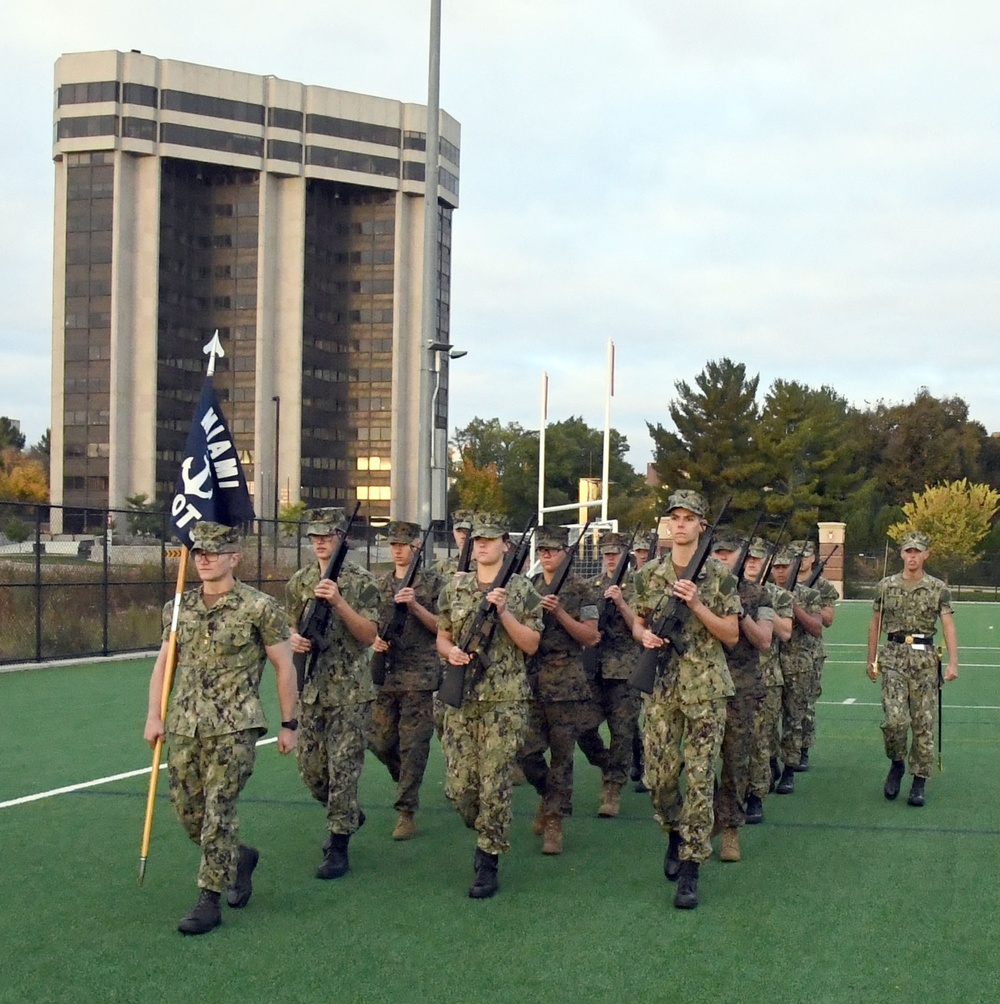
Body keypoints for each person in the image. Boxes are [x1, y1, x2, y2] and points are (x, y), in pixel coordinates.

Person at [143, 521, 298, 936]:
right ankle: (239, 858)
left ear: (235, 557)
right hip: (184, 725)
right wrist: (153, 715)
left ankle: (207, 900)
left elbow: (284, 667)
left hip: (235, 727)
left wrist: (289, 723)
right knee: (188, 810)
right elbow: (165, 664)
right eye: (198, 552)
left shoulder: (259, 607)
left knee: (218, 810)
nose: (205, 558)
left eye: (214, 552)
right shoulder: (178, 608)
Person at [631, 491, 740, 909]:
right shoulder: (648, 575)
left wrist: (696, 603)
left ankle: (692, 866)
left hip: (705, 688)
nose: (679, 524)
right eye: (674, 517)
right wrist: (646, 636)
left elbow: (731, 634)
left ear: (701, 526)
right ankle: (675, 831)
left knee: (698, 778)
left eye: (688, 518)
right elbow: (637, 624)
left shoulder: (718, 577)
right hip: (660, 686)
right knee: (658, 778)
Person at [436, 512, 543, 898]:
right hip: (462, 698)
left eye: (490, 539)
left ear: (505, 545)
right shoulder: (455, 587)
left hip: (505, 699)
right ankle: (483, 826)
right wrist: (451, 654)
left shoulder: (522, 591)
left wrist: (504, 613)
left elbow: (531, 644)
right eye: (477, 539)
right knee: (460, 787)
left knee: (495, 781)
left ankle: (487, 859)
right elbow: (442, 635)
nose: (481, 544)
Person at [286, 507, 379, 879]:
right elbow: (291, 628)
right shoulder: (300, 581)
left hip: (351, 692)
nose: (321, 541)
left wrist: (340, 602)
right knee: (312, 772)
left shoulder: (361, 581)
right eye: (315, 536)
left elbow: (369, 635)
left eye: (328, 535)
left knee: (343, 771)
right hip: (312, 691)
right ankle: (349, 813)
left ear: (341, 536)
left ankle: (338, 844)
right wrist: (293, 639)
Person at [517, 524, 601, 854]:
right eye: (542, 550)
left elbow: (590, 636)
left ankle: (554, 821)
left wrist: (560, 613)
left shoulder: (582, 590)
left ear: (565, 552)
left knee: (562, 757)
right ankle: (547, 796)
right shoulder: (529, 587)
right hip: (532, 678)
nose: (547, 555)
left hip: (566, 679)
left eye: (552, 549)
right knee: (526, 751)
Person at [866, 530, 959, 806]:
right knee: (895, 721)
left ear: (926, 554)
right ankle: (896, 762)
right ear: (901, 554)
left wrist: (953, 662)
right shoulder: (886, 586)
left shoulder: (938, 587)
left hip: (924, 660)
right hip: (893, 657)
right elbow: (875, 623)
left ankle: (919, 780)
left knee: (922, 723)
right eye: (908, 551)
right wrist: (871, 660)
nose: (912, 556)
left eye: (917, 551)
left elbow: (948, 625)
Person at [370, 520, 442, 840]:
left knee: (413, 745)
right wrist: (375, 640)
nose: (397, 549)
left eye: (403, 544)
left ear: (416, 547)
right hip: (388, 671)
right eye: (393, 544)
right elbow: (369, 623)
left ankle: (406, 810)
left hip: (420, 673)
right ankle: (406, 782)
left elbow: (444, 627)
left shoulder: (432, 583)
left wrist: (414, 605)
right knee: (382, 740)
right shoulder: (381, 584)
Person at [710, 530, 773, 863]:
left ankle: (731, 828)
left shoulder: (758, 595)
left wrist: (739, 611)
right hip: (701, 687)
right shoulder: (695, 589)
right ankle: (699, 823)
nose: (722, 558)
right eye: (717, 553)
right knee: (698, 763)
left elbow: (764, 640)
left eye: (728, 554)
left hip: (741, 687)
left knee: (735, 760)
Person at [585, 530, 641, 817]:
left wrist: (621, 602)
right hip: (593, 667)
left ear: (624, 556)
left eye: (614, 553)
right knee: (583, 727)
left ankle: (613, 788)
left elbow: (641, 628)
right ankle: (608, 764)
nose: (610, 558)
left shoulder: (637, 586)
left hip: (625, 669)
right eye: (606, 553)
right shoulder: (590, 586)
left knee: (622, 732)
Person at [745, 538, 793, 824]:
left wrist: (761, 601)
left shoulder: (778, 595)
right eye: (748, 558)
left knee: (760, 740)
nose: (752, 563)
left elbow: (785, 632)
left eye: (758, 558)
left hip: (766, 677)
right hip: (731, 677)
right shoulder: (726, 589)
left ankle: (756, 796)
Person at [770, 545, 823, 795]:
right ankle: (769, 764)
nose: (781, 572)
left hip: (797, 665)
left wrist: (795, 607)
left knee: (793, 719)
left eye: (785, 567)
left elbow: (817, 627)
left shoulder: (808, 594)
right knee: (767, 721)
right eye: (776, 567)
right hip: (768, 665)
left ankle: (789, 768)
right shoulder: (763, 593)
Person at [795, 540, 838, 771]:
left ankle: (803, 749)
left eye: (806, 555)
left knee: (806, 703)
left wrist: (805, 606)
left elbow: (829, 619)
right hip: (784, 647)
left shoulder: (822, 586)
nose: (801, 559)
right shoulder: (783, 581)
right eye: (797, 555)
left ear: (813, 558)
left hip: (811, 651)